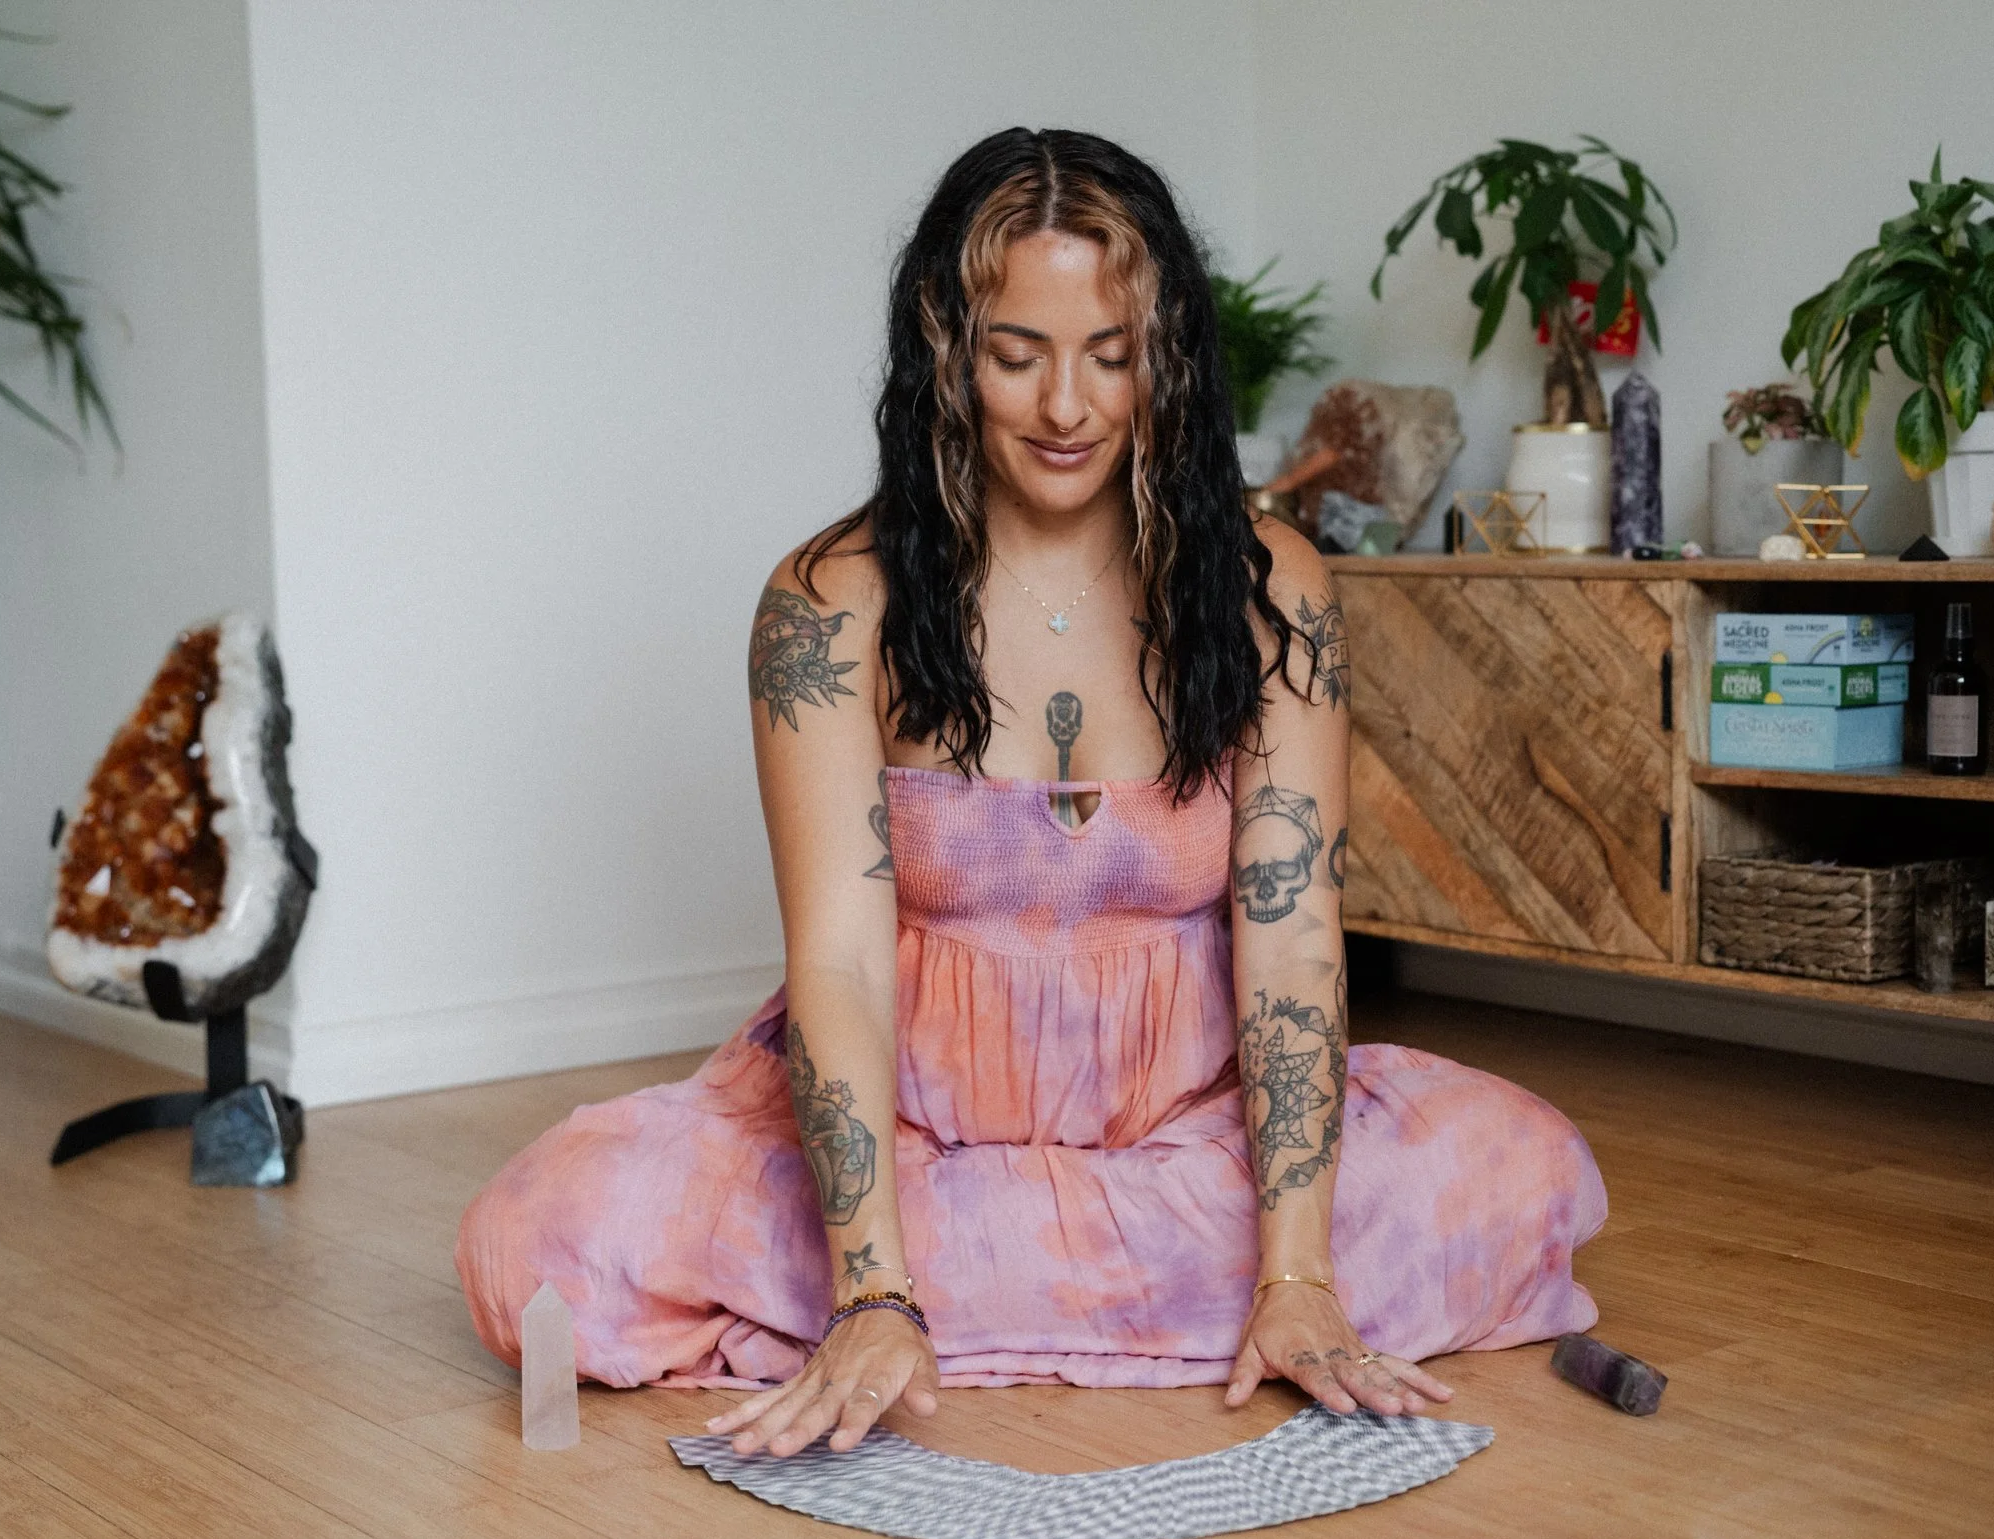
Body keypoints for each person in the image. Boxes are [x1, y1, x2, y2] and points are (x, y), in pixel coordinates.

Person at [456, 128, 1605, 1458]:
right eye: (1018, 354)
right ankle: (937, 1312)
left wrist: (1296, 1276)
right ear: (945, 348)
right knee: (535, 1238)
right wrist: (874, 1282)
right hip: (915, 1150)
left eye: (1112, 356)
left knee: (1523, 1170)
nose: (1069, 406)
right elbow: (836, 961)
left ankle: (1106, 1307)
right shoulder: (829, 602)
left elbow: (1291, 944)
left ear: (1165, 357)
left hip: (1186, 1136)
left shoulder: (1272, 586)